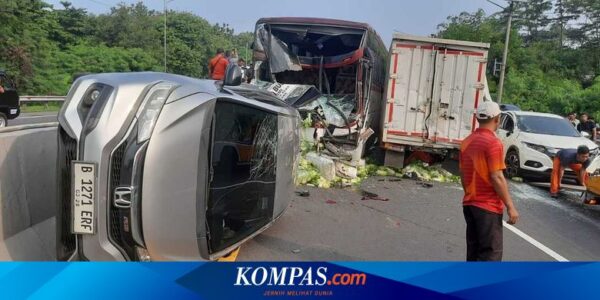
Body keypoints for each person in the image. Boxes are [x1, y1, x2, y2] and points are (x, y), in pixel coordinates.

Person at [459, 101, 519, 261]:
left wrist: (470, 194)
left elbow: (463, 173)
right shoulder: (493, 143)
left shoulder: (467, 141)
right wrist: (510, 207)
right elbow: (497, 176)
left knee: (473, 253)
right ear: (497, 119)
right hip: (487, 207)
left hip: (470, 203)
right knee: (490, 255)